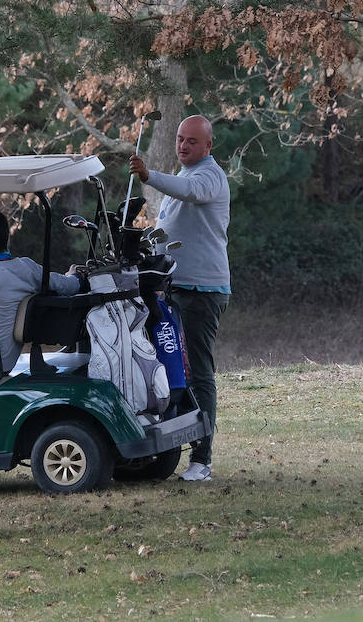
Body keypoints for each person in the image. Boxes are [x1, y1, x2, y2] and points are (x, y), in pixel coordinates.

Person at [129, 115, 230, 483]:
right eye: (180, 138)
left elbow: (192, 194)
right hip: (177, 288)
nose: (183, 145)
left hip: (202, 292)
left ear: (208, 146)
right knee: (170, 371)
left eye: (192, 141)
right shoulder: (185, 175)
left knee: (198, 373)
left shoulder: (209, 176)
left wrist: (147, 176)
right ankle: (161, 446)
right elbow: (166, 229)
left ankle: (202, 460)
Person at [0, 208, 80, 381]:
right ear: (7, 236)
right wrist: (75, 276)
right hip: (3, 363)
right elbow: (69, 286)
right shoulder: (26, 268)